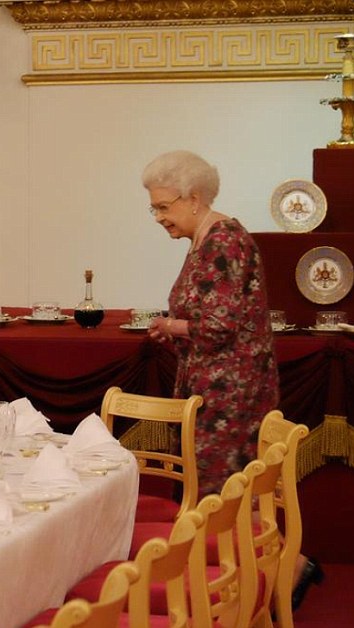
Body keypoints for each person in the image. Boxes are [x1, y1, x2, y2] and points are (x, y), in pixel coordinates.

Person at [142, 150, 321, 610]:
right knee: (224, 493)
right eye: (154, 207)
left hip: (230, 396)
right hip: (218, 388)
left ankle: (263, 580)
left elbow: (219, 327)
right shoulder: (205, 239)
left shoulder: (223, 242)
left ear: (194, 198)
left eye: (163, 206)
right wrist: (178, 330)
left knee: (222, 494)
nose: (158, 217)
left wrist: (171, 326)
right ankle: (257, 581)